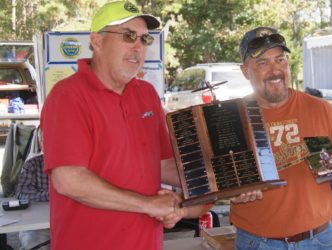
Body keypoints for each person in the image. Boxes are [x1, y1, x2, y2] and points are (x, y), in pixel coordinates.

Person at [40, 2, 208, 249]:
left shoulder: (147, 94)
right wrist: (149, 204)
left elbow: (162, 165)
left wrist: (225, 178)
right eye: (128, 36)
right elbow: (69, 180)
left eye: (144, 39)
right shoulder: (67, 96)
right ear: (97, 41)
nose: (137, 47)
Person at [230, 26, 332, 250]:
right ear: (245, 71)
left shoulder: (320, 110)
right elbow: (216, 186)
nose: (275, 70)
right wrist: (235, 193)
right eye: (263, 63)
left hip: (321, 240)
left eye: (280, 59)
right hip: (259, 243)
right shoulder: (231, 119)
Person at [15, 129, 50, 250]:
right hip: (37, 225)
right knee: (34, 245)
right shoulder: (32, 165)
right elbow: (21, 194)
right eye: (46, 140)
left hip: (69, 222)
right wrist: (51, 195)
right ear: (41, 143)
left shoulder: (76, 167)